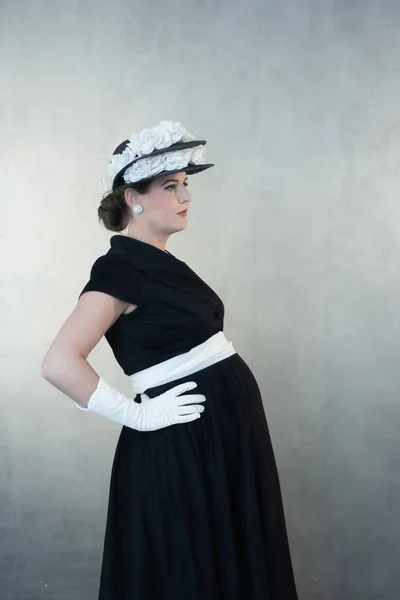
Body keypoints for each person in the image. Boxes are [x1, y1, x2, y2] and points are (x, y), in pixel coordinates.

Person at [41, 120, 298, 600]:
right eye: (170, 186)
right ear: (133, 198)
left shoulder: (159, 262)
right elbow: (60, 362)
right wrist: (137, 414)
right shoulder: (120, 269)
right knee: (190, 569)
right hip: (182, 442)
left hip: (219, 438)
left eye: (185, 185)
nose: (186, 196)